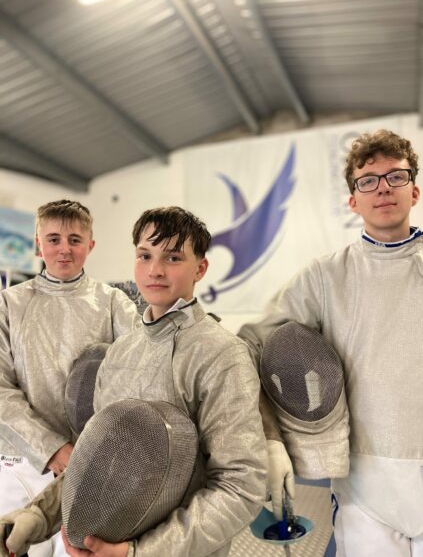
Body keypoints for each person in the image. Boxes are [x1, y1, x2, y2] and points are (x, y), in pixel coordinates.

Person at [0, 206, 267, 557]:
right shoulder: (121, 352)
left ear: (200, 268)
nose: (155, 270)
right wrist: (40, 515)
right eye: (145, 255)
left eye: (173, 257)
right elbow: (95, 459)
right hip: (105, 540)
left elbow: (240, 487)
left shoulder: (221, 354)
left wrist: (138, 552)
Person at [238, 129, 423, 556]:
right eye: (368, 180)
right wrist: (269, 439)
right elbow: (251, 344)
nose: (383, 189)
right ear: (353, 200)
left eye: (396, 177)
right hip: (365, 478)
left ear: (413, 190)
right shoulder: (325, 278)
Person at [0, 199, 140, 556]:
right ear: (37, 244)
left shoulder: (114, 303)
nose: (64, 249)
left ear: (90, 246)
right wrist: (51, 448)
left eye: (75, 239)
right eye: (54, 239)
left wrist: (91, 452)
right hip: (19, 463)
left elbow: (138, 374)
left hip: (90, 466)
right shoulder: (9, 304)